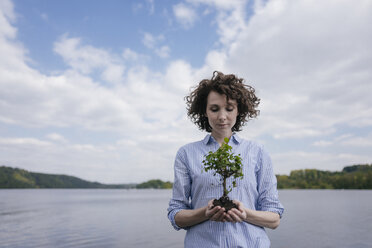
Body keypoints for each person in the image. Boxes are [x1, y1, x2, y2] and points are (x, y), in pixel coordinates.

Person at [167, 71, 284, 248]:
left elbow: (274, 218)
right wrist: (205, 213)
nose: (222, 116)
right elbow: (176, 214)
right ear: (204, 111)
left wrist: (245, 214)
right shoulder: (186, 153)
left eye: (229, 108)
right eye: (214, 109)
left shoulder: (257, 152)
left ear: (239, 110)